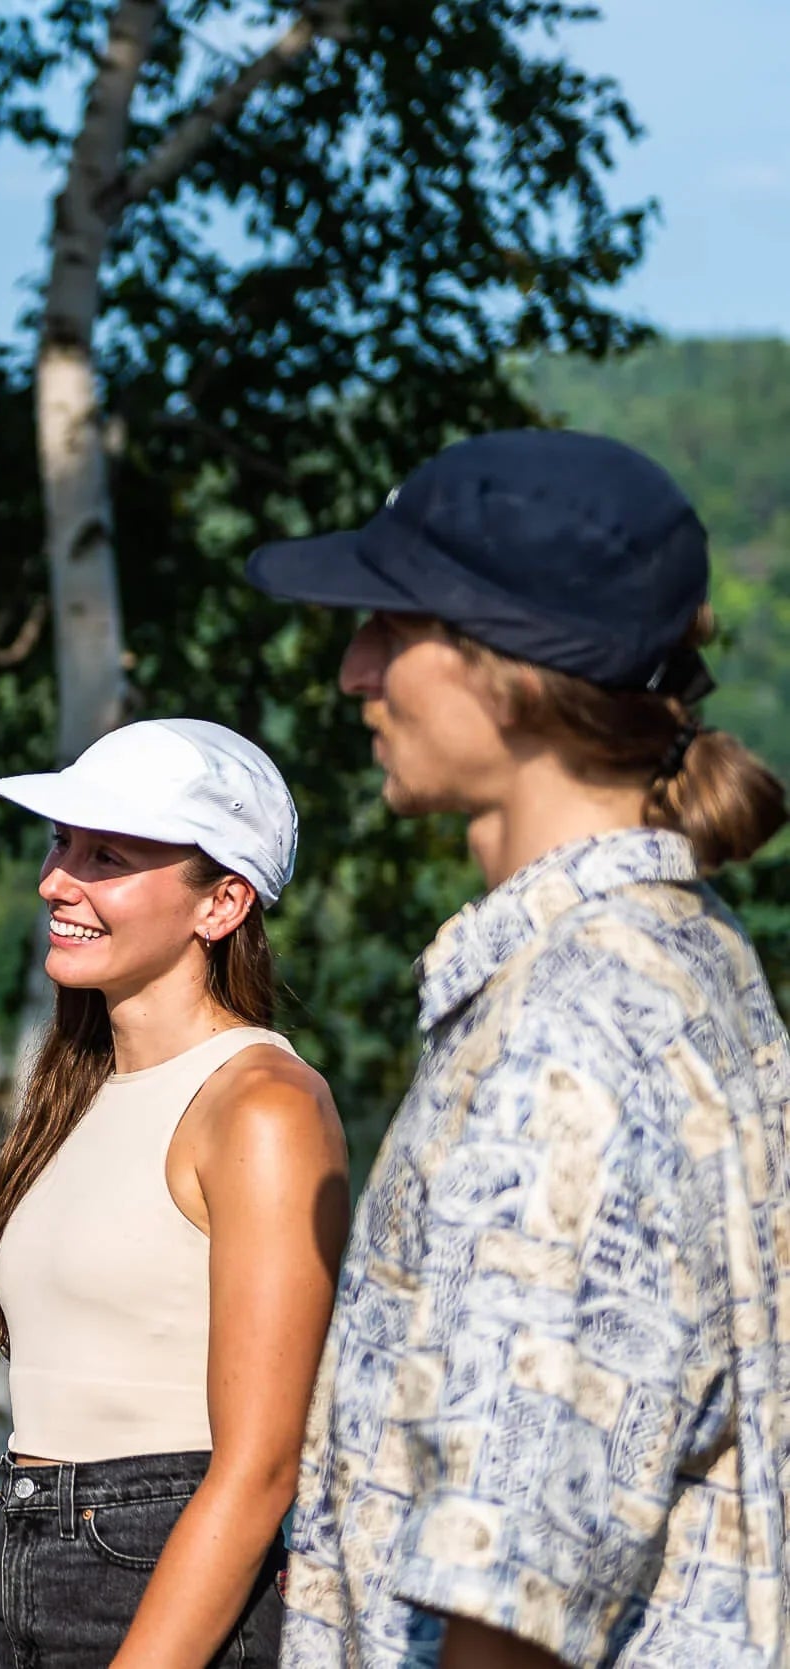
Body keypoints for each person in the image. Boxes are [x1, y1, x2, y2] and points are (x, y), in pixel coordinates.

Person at [246, 429, 790, 1668]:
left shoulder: (564, 1043)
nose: (351, 673)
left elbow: (510, 1608)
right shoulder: (686, 955)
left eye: (387, 628)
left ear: (505, 671)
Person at [0, 718, 349, 1668]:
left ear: (222, 903)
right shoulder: (69, 1093)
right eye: (61, 843)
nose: (56, 880)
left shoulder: (262, 1105)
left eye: (109, 855)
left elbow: (259, 1471)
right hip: (27, 1559)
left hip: (162, 1582)